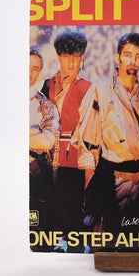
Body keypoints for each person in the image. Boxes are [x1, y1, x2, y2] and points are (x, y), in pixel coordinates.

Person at [75, 32, 139, 231]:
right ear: (118, 57)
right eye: (128, 55)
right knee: (104, 235)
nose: (133, 61)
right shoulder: (101, 89)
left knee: (133, 237)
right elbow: (88, 139)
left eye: (138, 56)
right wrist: (90, 189)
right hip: (112, 176)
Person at [41, 30, 92, 243]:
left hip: (74, 160)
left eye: (76, 57)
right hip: (46, 156)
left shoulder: (88, 87)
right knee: (49, 210)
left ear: (82, 57)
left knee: (72, 214)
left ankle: (74, 252)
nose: (71, 62)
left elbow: (91, 129)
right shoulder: (48, 84)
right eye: (66, 56)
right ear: (58, 57)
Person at [29, 47, 59, 232]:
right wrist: (33, 133)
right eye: (26, 67)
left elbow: (48, 140)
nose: (30, 73)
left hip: (35, 175)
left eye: (35, 68)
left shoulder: (45, 104)